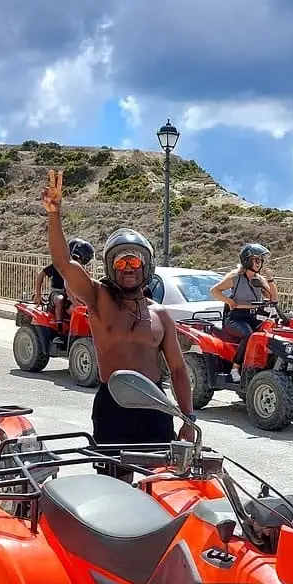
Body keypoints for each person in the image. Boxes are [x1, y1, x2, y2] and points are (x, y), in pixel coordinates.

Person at [41, 169, 196, 459]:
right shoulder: (99, 298)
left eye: (134, 260)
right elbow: (63, 262)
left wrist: (188, 418)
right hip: (112, 406)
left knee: (158, 483)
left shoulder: (161, 316)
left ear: (145, 266)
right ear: (111, 266)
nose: (128, 267)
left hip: (155, 407)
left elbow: (177, 369)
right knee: (116, 486)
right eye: (121, 261)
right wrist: (54, 214)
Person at [209, 242, 278, 381]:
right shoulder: (235, 278)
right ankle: (235, 368)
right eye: (256, 260)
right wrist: (229, 302)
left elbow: (274, 298)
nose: (259, 264)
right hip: (236, 318)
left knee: (272, 335)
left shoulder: (260, 280)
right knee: (249, 335)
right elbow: (214, 290)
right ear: (247, 260)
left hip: (255, 317)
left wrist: (270, 279)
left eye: (261, 261)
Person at [33, 238, 93, 328]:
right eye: (77, 258)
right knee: (60, 299)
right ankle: (59, 327)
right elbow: (41, 275)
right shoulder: (58, 265)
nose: (79, 262)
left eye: (81, 260)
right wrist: (38, 294)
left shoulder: (80, 270)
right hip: (57, 292)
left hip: (72, 294)